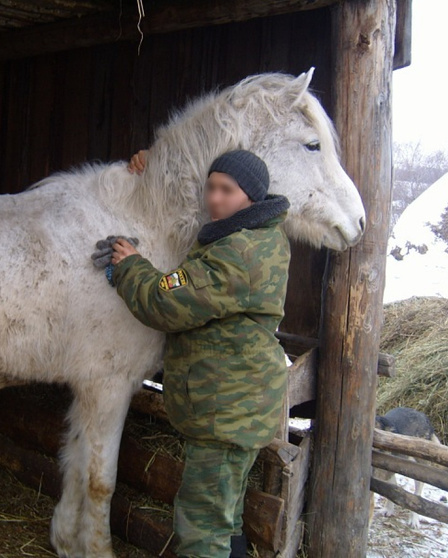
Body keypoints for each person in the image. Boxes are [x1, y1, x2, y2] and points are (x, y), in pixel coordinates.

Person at [95, 149, 291, 558]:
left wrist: (130, 265)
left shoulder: (238, 253)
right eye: (211, 187)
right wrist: (158, 166)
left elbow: (167, 301)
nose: (214, 199)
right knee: (225, 517)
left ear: (251, 197)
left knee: (202, 530)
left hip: (226, 412)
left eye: (227, 190)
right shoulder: (257, 237)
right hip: (241, 407)